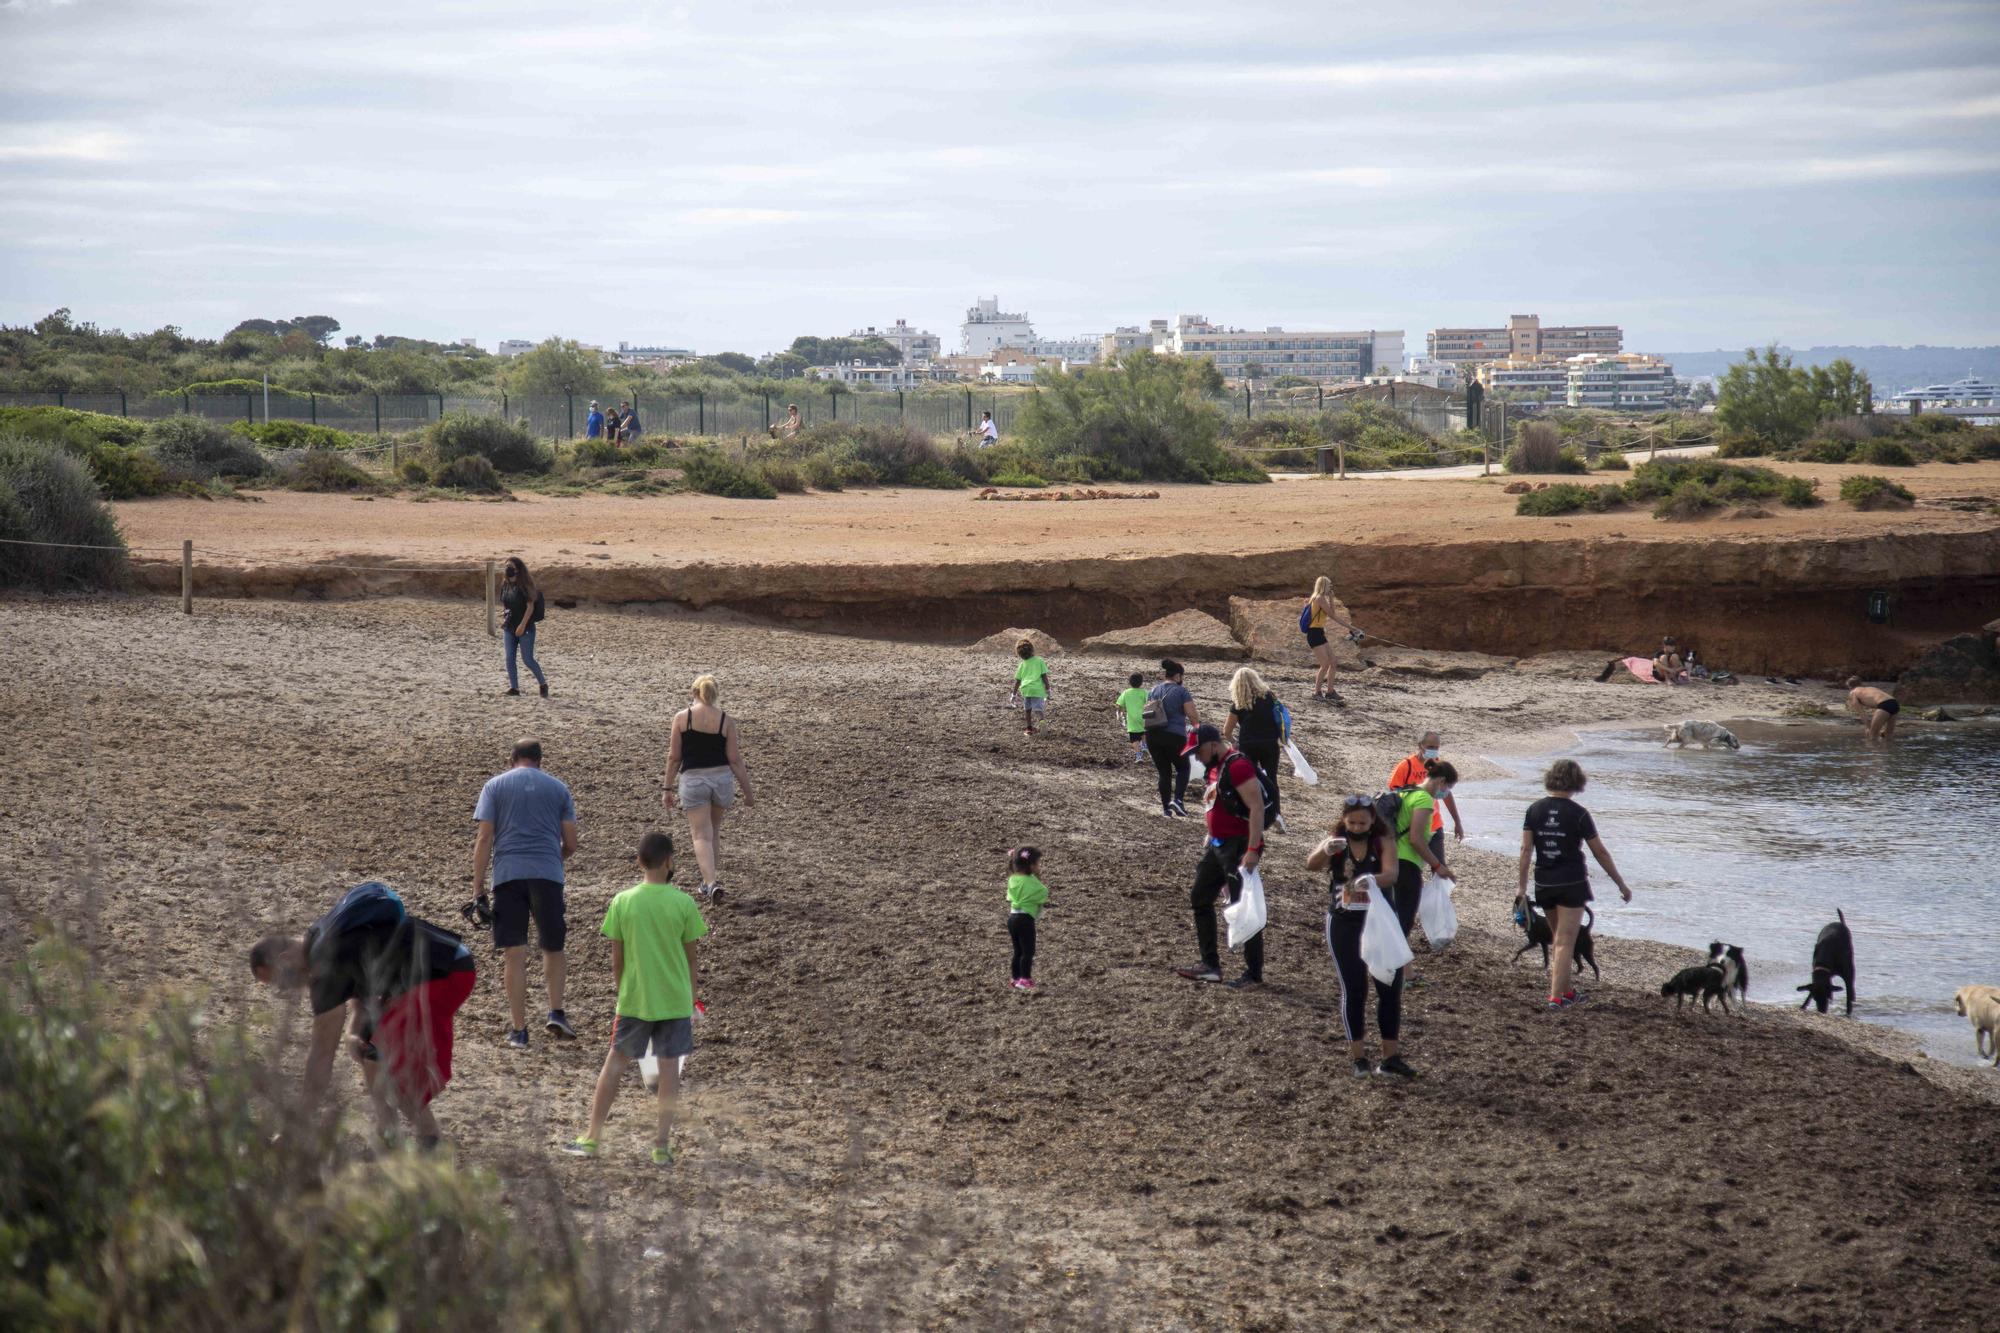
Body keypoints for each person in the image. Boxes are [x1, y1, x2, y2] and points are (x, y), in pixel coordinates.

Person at [250, 881, 476, 1149]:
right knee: (373, 1055)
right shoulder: (321, 934)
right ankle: (391, 1136)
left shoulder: (323, 966)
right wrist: (353, 1032)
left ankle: (427, 1139)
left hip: (444, 974)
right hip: (446, 965)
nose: (287, 988)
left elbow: (322, 1055)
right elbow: (361, 986)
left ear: (286, 958)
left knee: (378, 1059)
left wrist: (295, 1127)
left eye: (283, 981)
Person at [562, 832, 707, 1165]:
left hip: (635, 999)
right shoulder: (684, 903)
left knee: (614, 1065)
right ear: (670, 861)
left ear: (639, 862)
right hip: (674, 1000)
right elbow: (691, 959)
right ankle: (661, 1145)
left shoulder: (623, 901)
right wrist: (693, 999)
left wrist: (622, 990)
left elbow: (617, 960)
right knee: (669, 1070)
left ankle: (593, 1137)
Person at [472, 738, 579, 1048]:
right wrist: (551, 858)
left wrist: (478, 889)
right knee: (553, 946)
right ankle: (556, 1012)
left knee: (514, 953)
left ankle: (519, 1030)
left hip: (508, 876)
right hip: (547, 874)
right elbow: (571, 843)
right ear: (539, 761)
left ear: (512, 759)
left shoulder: (494, 786)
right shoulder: (558, 788)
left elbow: (483, 840)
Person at [1306, 797, 1412, 1078]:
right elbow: (1311, 865)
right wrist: (1326, 851)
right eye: (1351, 822)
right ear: (1344, 820)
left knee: (1389, 987)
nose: (1356, 827)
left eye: (1362, 822)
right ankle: (1359, 1058)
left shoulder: (1382, 840)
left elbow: (1391, 874)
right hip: (1344, 923)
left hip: (1379, 922)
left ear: (1372, 821)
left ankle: (1390, 1058)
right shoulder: (1336, 838)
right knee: (1355, 990)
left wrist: (1372, 880)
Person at [1515, 759, 1633, 1011]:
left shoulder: (1534, 810)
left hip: (1544, 882)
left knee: (1559, 938)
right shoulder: (1579, 813)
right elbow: (1600, 852)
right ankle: (1556, 998)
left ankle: (1567, 991)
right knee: (1565, 941)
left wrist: (1521, 887)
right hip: (1571, 883)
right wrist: (1620, 883)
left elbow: (1526, 850)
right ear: (1577, 782)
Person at [1174, 724, 1268, 989]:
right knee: (1200, 897)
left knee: (1244, 907)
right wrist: (1210, 831)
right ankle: (1210, 965)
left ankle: (1253, 973)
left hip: (1238, 846)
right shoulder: (1215, 766)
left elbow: (1257, 807)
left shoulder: (1237, 766)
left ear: (1213, 745)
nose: (1197, 757)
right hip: (1218, 845)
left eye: (1199, 751)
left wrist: (1252, 849)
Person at [663, 674, 756, 902]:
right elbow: (734, 760)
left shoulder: (682, 718)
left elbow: (674, 757)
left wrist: (667, 788)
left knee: (701, 835)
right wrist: (747, 791)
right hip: (721, 780)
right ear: (715, 694)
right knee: (713, 830)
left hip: (694, 780)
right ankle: (709, 881)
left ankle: (710, 882)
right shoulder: (726, 721)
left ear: (694, 693)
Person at [1392, 761, 1457, 963]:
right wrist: (1438, 866)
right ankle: (1396, 965)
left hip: (1391, 860)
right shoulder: (1424, 800)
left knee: (1394, 914)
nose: (1445, 793)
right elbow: (1416, 839)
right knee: (1404, 918)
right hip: (1406, 863)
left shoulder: (1407, 792)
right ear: (1442, 781)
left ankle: (1404, 968)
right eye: (1447, 789)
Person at [1221, 666, 1285, 827]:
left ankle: (1249, 813)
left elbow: (1226, 731)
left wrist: (1234, 742)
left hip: (1247, 745)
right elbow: (1280, 717)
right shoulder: (1270, 697)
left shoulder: (1238, 703)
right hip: (1269, 743)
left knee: (1248, 779)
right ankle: (1276, 814)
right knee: (1271, 778)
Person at [1389, 730, 1464, 864]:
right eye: (1430, 747)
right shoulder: (1406, 766)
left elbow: (1446, 794)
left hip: (1434, 824)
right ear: (1420, 745)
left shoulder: (1438, 765)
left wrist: (1457, 822)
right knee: (1409, 865)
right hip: (1410, 825)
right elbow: (1394, 796)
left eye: (1437, 747)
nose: (1434, 751)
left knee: (1439, 865)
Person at [1142, 659, 1199, 818]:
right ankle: (1178, 801)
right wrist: (1197, 729)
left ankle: (1166, 809)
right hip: (1174, 735)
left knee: (1164, 772)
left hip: (1153, 735)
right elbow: (1192, 715)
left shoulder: (1153, 690)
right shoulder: (1182, 692)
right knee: (1183, 768)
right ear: (1178, 676)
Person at [1303, 575, 1358, 705]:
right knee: (1325, 664)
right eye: (1330, 585)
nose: (1331, 587)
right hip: (1314, 633)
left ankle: (1330, 692)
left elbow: (1332, 612)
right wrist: (1352, 628)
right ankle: (1316, 692)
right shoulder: (1319, 598)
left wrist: (1332, 598)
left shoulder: (1321, 598)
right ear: (1324, 585)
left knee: (1333, 661)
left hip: (1319, 633)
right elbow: (1333, 616)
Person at [499, 556, 548, 697]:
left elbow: (530, 607)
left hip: (525, 628)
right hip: (509, 627)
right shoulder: (505, 585)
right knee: (509, 657)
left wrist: (522, 625)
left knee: (527, 659)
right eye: (506, 567)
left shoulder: (525, 586)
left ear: (518, 570)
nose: (508, 570)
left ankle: (543, 684)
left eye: (511, 568)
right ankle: (514, 688)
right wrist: (505, 618)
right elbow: (505, 603)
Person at [1004, 846, 1048, 991]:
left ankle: (1015, 978)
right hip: (1025, 919)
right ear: (1031, 865)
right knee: (1028, 951)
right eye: (1037, 864)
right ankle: (1025, 978)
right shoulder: (1033, 882)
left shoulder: (1013, 879)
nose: (1039, 866)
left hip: (1012, 918)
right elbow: (1043, 892)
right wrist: (1038, 876)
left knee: (1017, 951)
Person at [1010, 638, 1051, 736]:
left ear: (1020, 654)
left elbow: (1018, 681)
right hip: (1037, 689)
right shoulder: (1040, 660)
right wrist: (1048, 689)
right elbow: (1044, 676)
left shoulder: (1022, 664)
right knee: (1038, 710)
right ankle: (1042, 723)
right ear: (1032, 649)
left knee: (1027, 710)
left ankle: (1029, 729)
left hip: (1026, 689)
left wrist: (1013, 695)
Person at [1115, 671, 1149, 764]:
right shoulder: (1144, 692)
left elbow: (1119, 705)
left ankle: (1139, 756)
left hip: (1132, 719)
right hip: (1144, 717)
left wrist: (1120, 713)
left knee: (1134, 738)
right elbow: (1149, 702)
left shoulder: (1126, 692)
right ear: (1141, 682)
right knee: (1144, 732)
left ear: (1129, 682)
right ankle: (1145, 745)